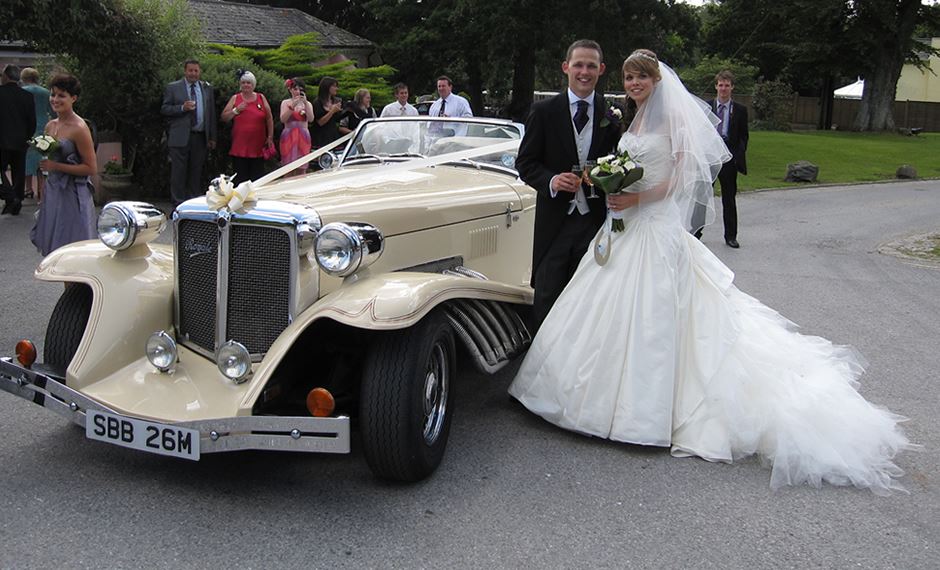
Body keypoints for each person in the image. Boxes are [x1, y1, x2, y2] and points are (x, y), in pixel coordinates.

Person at [509, 49, 914, 495]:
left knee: (657, 316)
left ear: (658, 80)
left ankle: (643, 412)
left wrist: (636, 199)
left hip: (653, 227)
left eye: (642, 76)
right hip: (621, 228)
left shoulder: (672, 121)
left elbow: (680, 179)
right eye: (629, 76)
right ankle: (571, 393)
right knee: (598, 305)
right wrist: (613, 187)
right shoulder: (628, 117)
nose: (635, 83)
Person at [514, 39, 621, 331]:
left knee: (589, 298)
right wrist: (551, 180)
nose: (584, 72)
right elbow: (525, 163)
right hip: (554, 224)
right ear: (566, 68)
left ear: (601, 70)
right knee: (547, 298)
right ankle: (543, 367)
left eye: (591, 66)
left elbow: (619, 163)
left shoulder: (611, 116)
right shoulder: (544, 111)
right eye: (578, 65)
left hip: (595, 222)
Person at [29, 74, 97, 256]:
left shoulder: (79, 128)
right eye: (53, 95)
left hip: (73, 194)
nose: (55, 99)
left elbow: (91, 168)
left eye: (61, 95)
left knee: (73, 249)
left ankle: (78, 286)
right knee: (56, 251)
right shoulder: (50, 126)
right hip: (53, 191)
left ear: (73, 98)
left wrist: (56, 167)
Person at [161, 59, 217, 205]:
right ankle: (177, 206)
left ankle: (193, 205)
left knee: (196, 173)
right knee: (178, 174)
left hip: (200, 137)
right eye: (190, 70)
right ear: (185, 71)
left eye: (196, 71)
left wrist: (211, 137)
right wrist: (182, 108)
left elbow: (211, 113)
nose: (193, 73)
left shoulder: (206, 88)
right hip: (179, 137)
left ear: (200, 72)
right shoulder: (173, 88)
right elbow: (164, 109)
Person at [707, 69, 748, 248]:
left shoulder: (740, 110)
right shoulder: (707, 107)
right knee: (701, 196)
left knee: (729, 198)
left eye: (727, 85)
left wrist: (737, 156)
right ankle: (695, 234)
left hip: (728, 158)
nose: (723, 88)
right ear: (716, 86)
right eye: (721, 85)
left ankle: (730, 236)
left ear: (732, 87)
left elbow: (743, 136)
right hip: (709, 158)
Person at [221, 70, 274, 183]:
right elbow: (224, 117)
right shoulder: (235, 98)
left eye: (248, 83)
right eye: (243, 82)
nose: (246, 85)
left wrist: (270, 136)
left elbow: (269, 118)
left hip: (258, 147)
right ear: (240, 84)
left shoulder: (261, 97)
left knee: (257, 179)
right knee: (240, 179)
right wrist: (235, 110)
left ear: (253, 85)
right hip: (240, 146)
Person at [0, 64, 36, 215]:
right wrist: (27, 137)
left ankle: (10, 197)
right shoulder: (27, 96)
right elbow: (32, 121)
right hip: (21, 141)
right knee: (18, 172)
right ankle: (17, 199)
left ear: (6, 77)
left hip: (1, 140)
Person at [20, 67, 54, 201]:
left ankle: (28, 188)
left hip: (26, 128)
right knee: (42, 158)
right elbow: (52, 112)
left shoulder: (22, 92)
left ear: (24, 78)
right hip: (42, 127)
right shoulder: (46, 92)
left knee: (26, 159)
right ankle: (42, 189)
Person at [278, 77, 313, 175]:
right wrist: (292, 107)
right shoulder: (285, 103)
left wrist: (305, 103)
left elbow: (311, 119)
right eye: (295, 89)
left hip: (303, 135)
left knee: (302, 167)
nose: (298, 92)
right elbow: (283, 119)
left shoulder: (307, 104)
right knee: (288, 168)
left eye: (300, 90)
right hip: (289, 135)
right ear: (290, 90)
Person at [311, 77, 346, 149]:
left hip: (333, 135)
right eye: (334, 86)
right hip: (321, 137)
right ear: (327, 87)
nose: (336, 88)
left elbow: (337, 119)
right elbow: (320, 122)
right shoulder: (318, 102)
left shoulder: (335, 101)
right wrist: (332, 111)